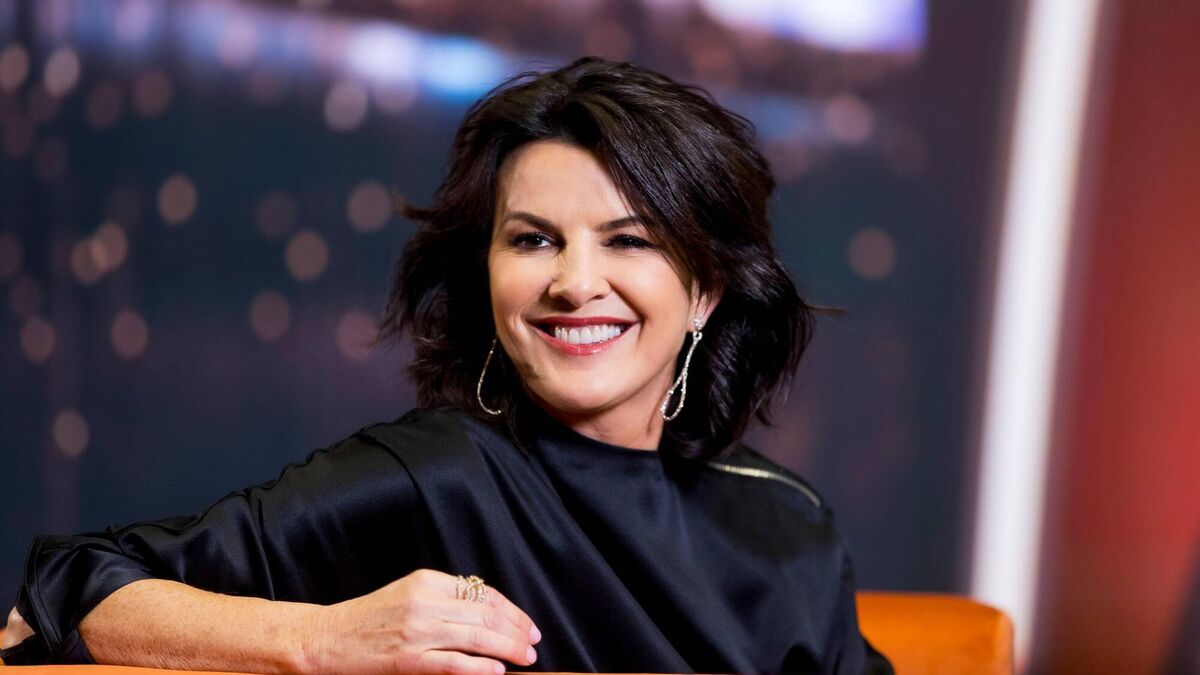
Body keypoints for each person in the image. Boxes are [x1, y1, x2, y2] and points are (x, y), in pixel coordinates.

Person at [2, 57, 892, 674]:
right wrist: (321, 640)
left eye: (630, 240)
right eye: (533, 239)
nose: (575, 283)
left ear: (705, 292)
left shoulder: (788, 524)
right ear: (488, 273)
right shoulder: (436, 476)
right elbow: (65, 588)